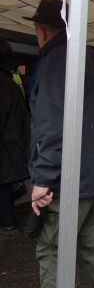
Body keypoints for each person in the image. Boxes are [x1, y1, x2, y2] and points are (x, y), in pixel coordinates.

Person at [25, 0, 94, 287]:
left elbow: (51, 125)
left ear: (42, 30)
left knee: (50, 249)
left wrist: (42, 179)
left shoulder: (54, 61)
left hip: (67, 180)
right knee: (93, 248)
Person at [0, 40, 30, 231]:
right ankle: (8, 218)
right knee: (6, 182)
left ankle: (7, 221)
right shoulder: (11, 81)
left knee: (2, 183)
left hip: (5, 143)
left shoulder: (2, 83)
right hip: (14, 141)